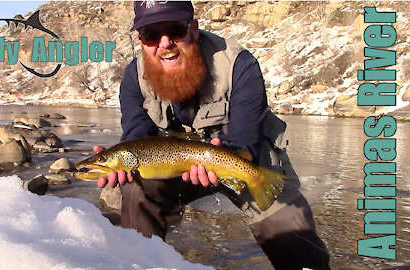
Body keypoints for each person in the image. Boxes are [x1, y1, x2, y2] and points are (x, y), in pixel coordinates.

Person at [94, 1, 331, 269]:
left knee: (296, 244)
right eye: (151, 35)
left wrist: (225, 161)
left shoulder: (238, 64)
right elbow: (137, 138)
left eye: (175, 30)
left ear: (193, 29)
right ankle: (143, 263)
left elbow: (244, 141)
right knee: (135, 189)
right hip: (175, 165)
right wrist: (119, 165)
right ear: (140, 40)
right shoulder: (133, 78)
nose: (165, 43)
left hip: (244, 160)